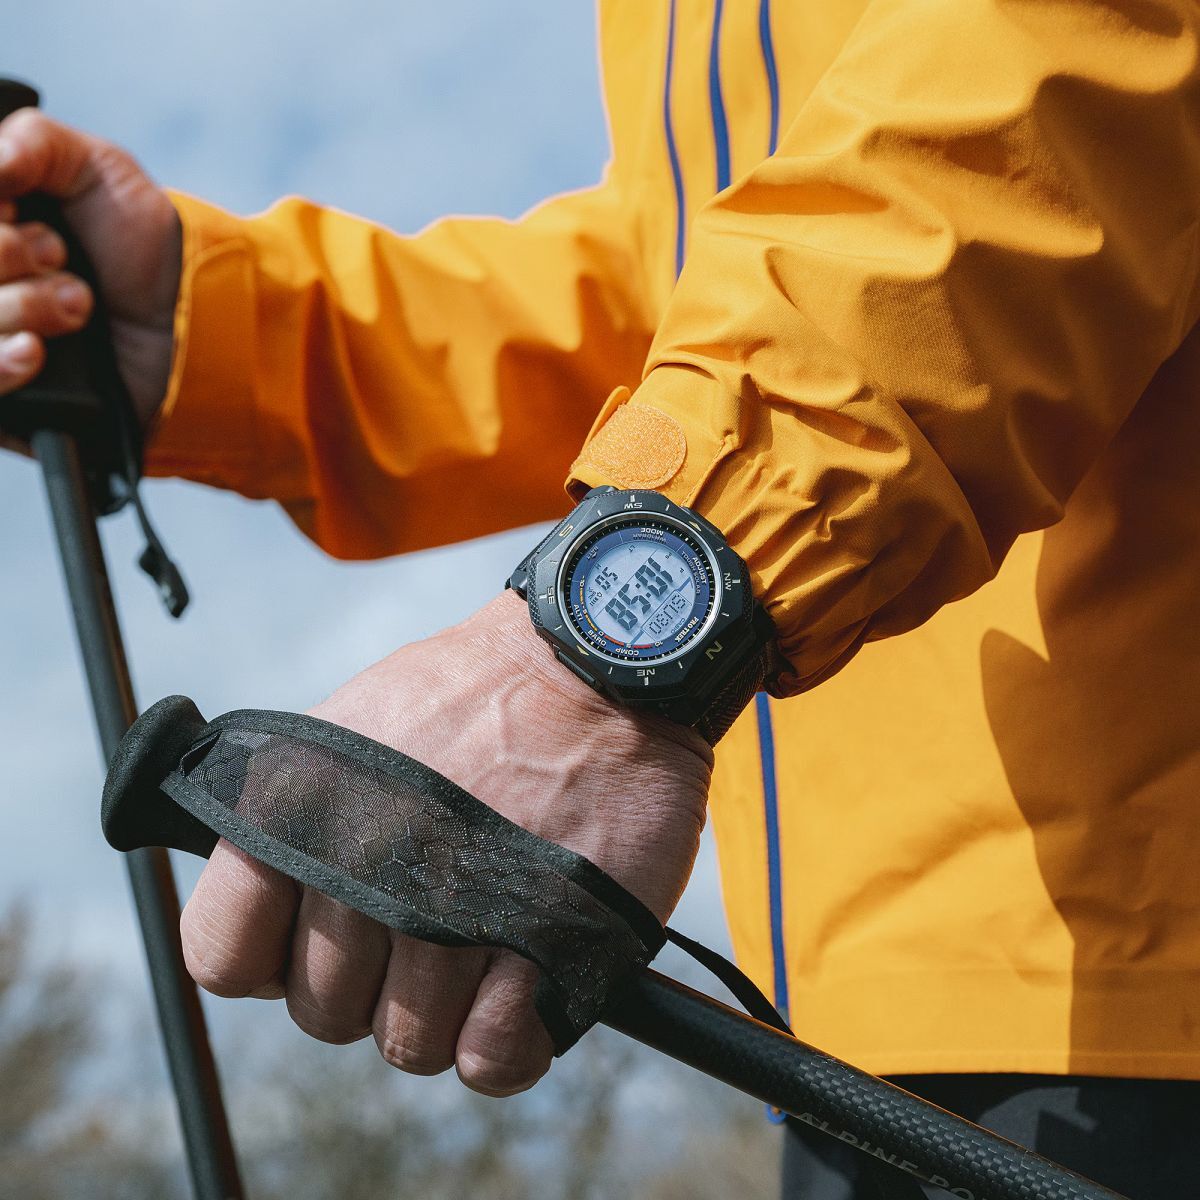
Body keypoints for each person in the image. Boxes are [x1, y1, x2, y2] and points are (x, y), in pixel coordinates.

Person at [3, 2, 1200, 1195]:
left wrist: (613, 647)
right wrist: (223, 328)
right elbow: (678, 294)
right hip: (858, 1030)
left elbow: (1064, 67)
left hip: (1133, 974)